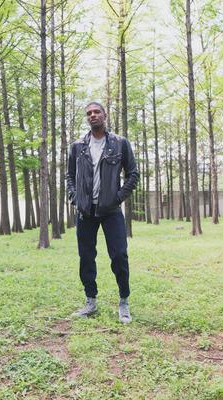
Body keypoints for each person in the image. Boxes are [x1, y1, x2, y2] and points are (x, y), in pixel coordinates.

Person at [66, 101, 139, 323]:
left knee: (119, 255)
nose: (93, 115)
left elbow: (133, 174)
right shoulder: (77, 146)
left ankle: (124, 301)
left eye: (96, 111)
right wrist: (75, 198)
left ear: (104, 115)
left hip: (111, 210)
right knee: (86, 257)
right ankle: (90, 302)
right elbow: (70, 176)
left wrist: (117, 197)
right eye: (89, 113)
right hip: (85, 211)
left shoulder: (119, 143)